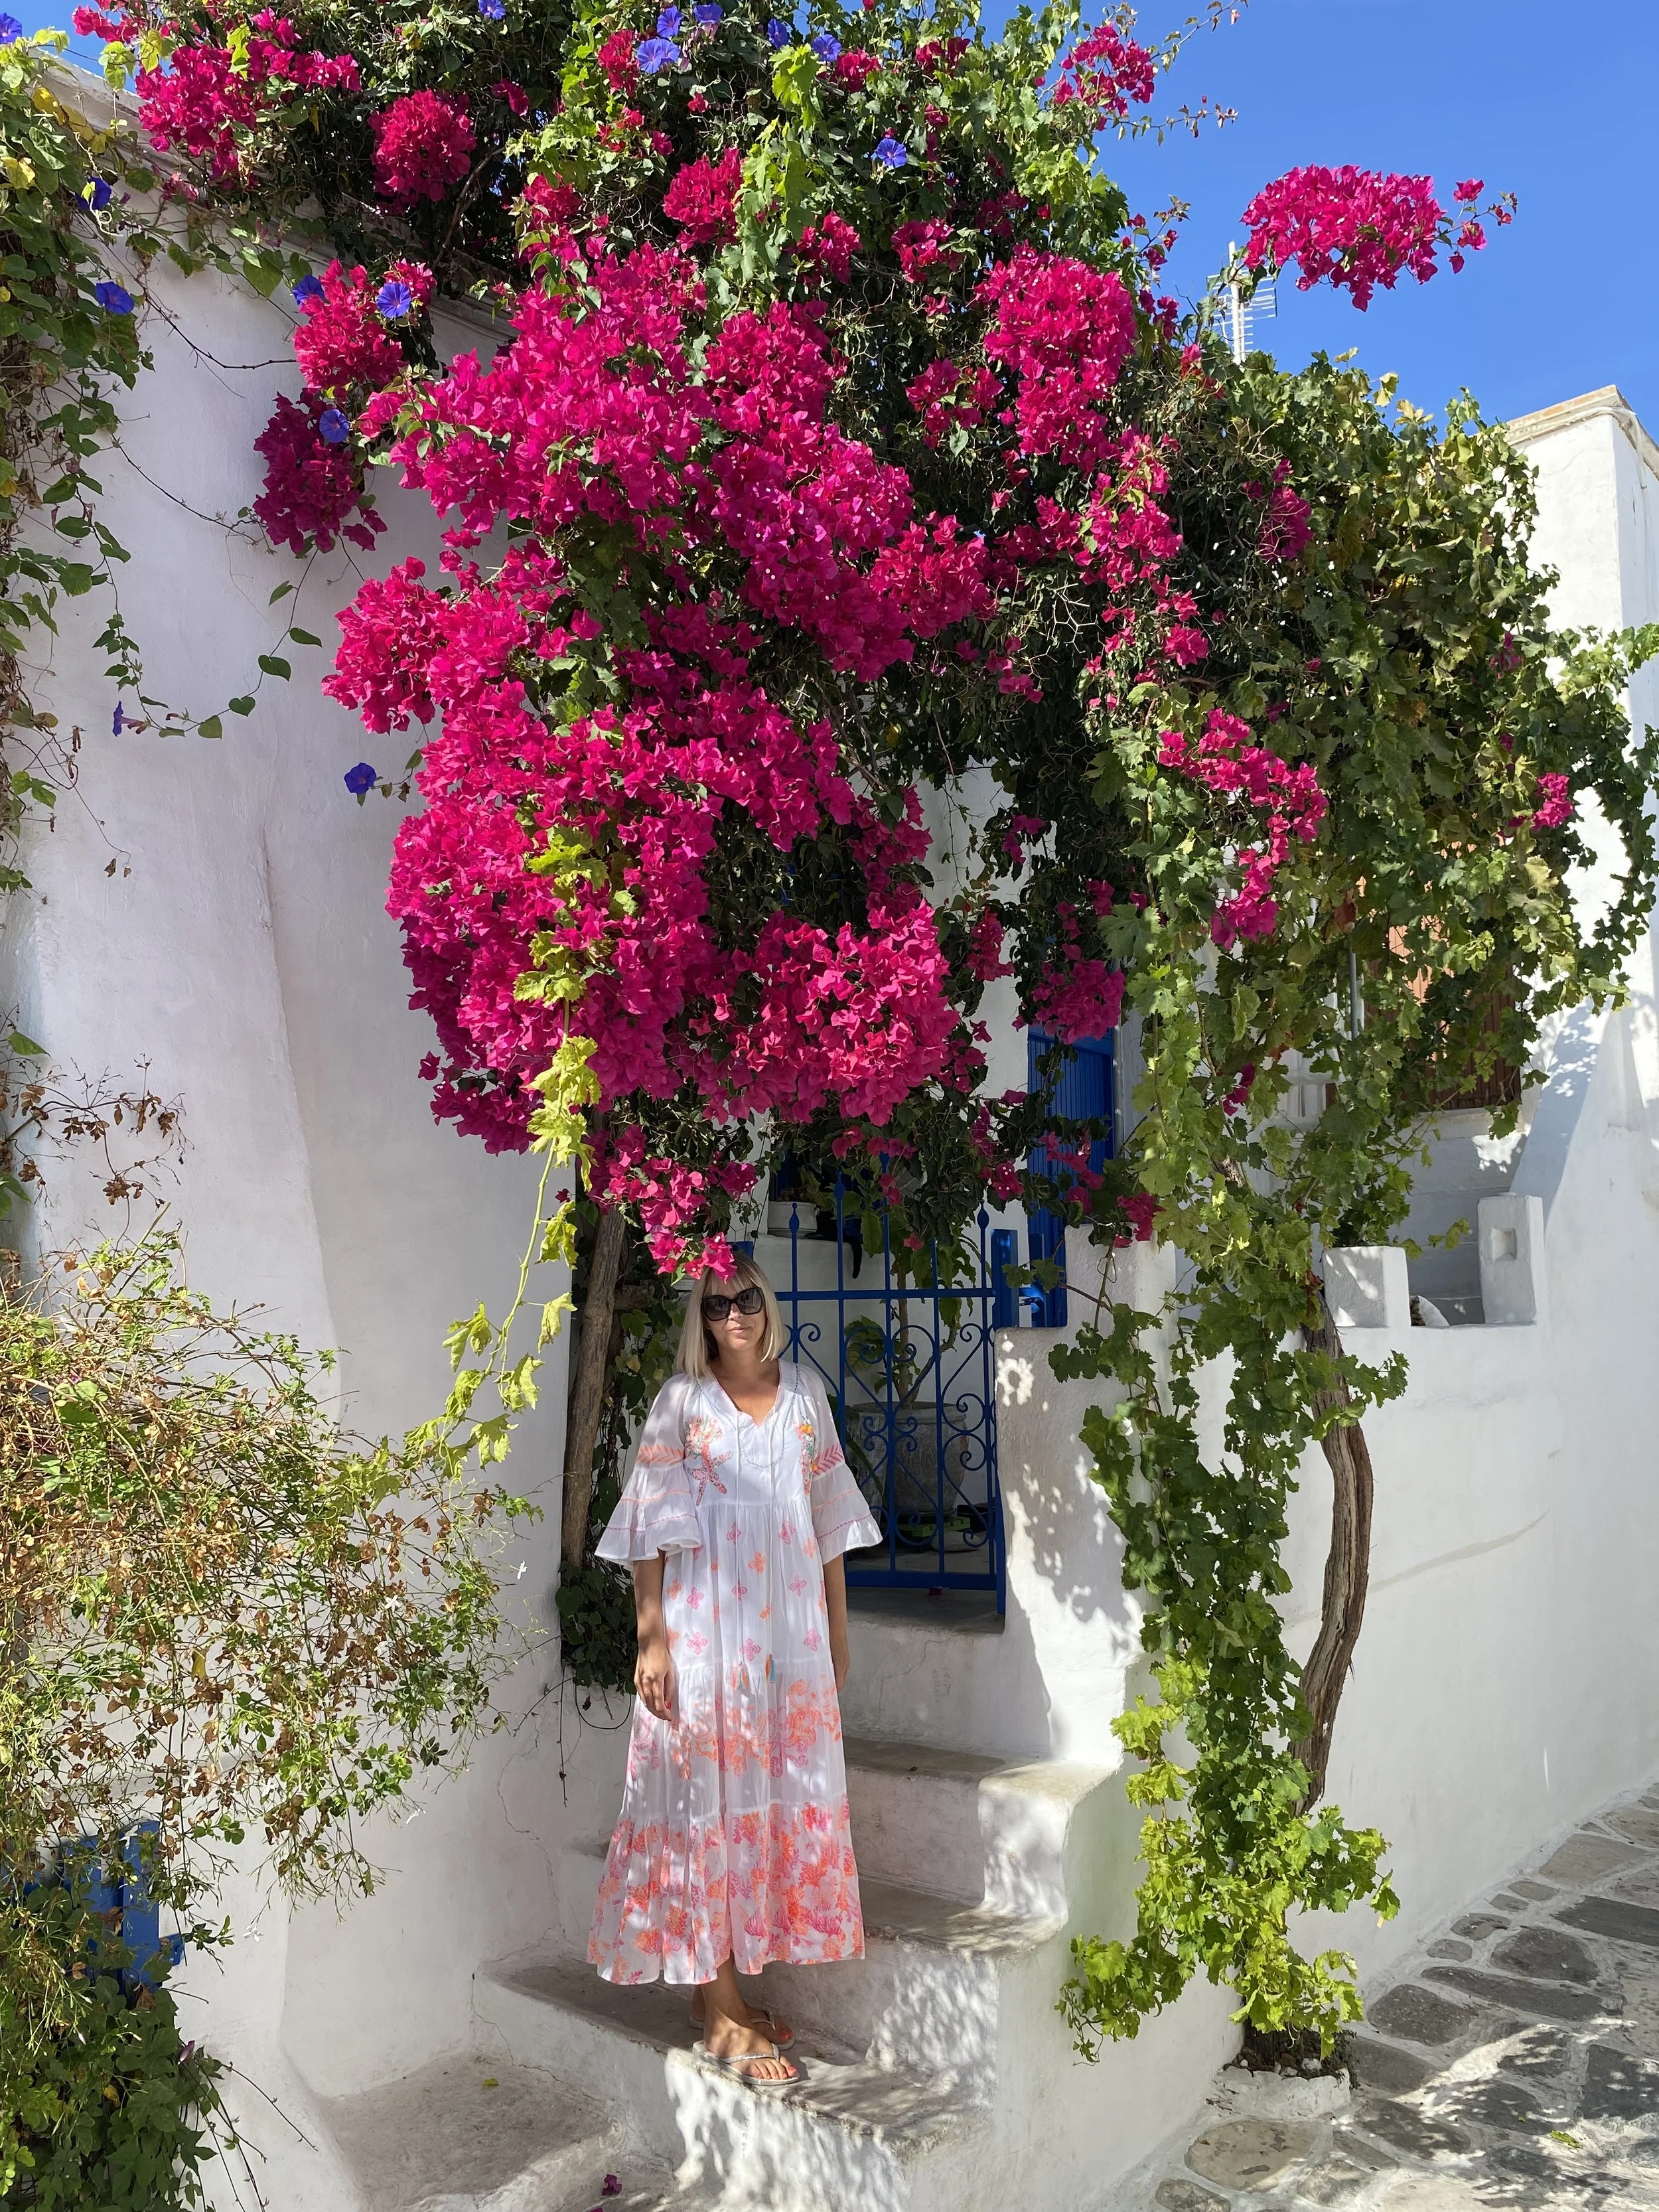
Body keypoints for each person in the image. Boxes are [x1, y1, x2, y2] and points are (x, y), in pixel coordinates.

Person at [586, 1250, 881, 2086]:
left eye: (744, 1299)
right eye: (715, 1307)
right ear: (701, 1319)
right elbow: (648, 1527)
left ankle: (725, 1997)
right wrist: (651, 1637)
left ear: (766, 1302)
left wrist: (836, 1633)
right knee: (701, 1802)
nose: (733, 1317)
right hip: (705, 1638)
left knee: (757, 1798)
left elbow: (826, 1523)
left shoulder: (805, 1396)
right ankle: (718, 2014)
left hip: (785, 1643)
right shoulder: (682, 1402)